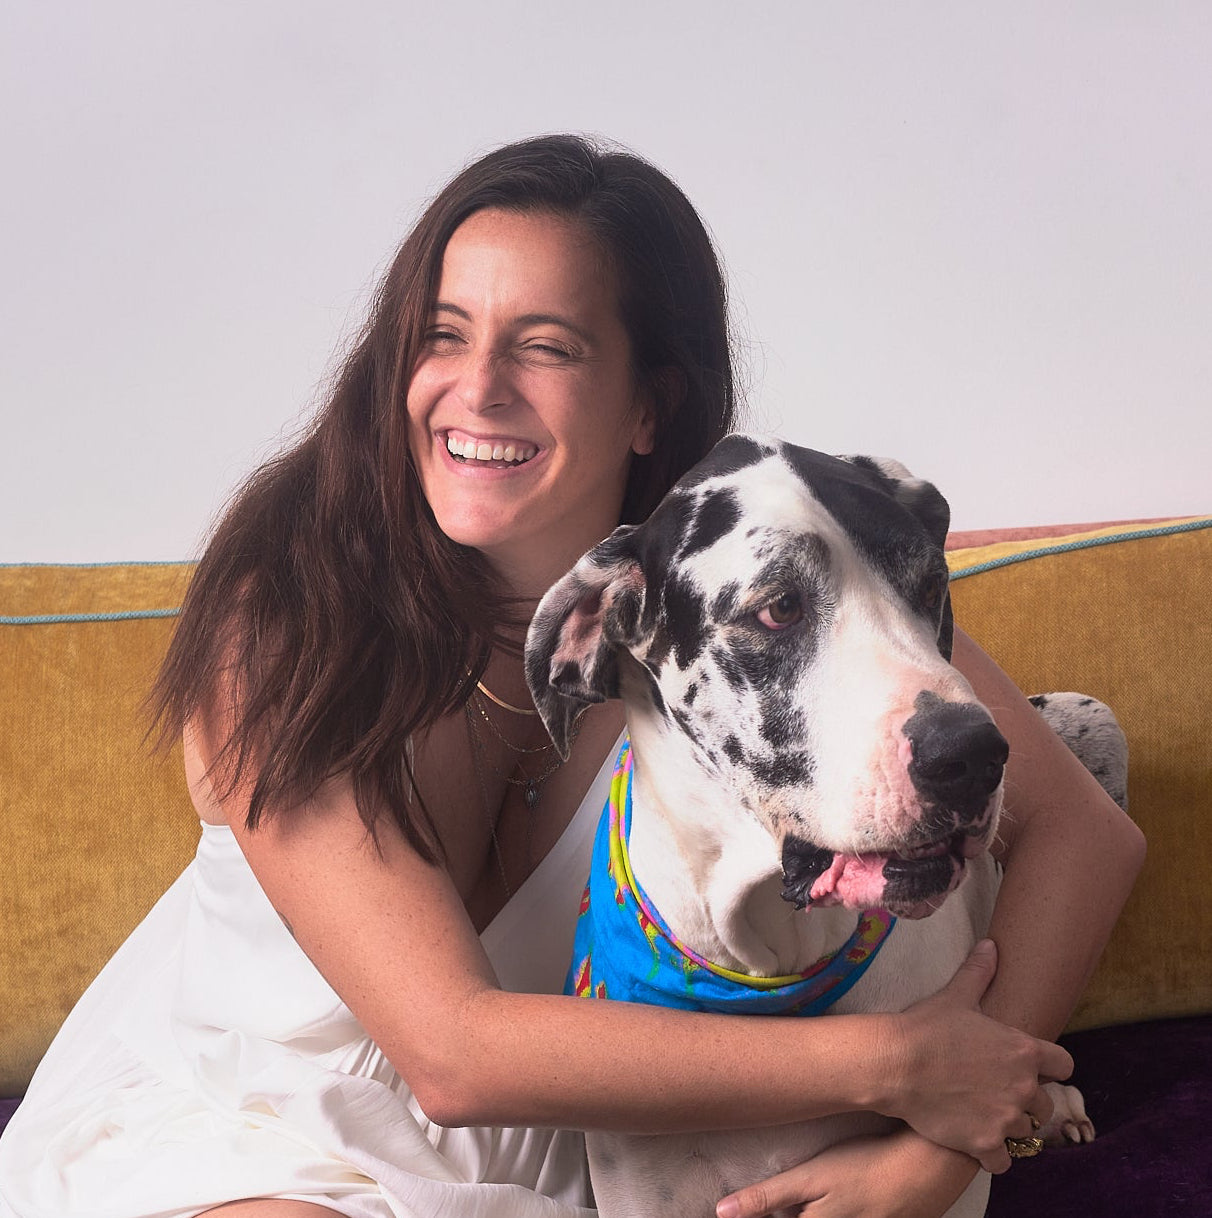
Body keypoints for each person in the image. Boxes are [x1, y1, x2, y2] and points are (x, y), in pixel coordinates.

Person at [0, 134, 1144, 1218]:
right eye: (444, 336)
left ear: (653, 402)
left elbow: (1085, 834)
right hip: (246, 1112)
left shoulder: (722, 594)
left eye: (545, 346)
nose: (478, 388)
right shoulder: (287, 621)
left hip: (572, 1136)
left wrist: (946, 1140)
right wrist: (900, 1068)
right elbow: (450, 1050)